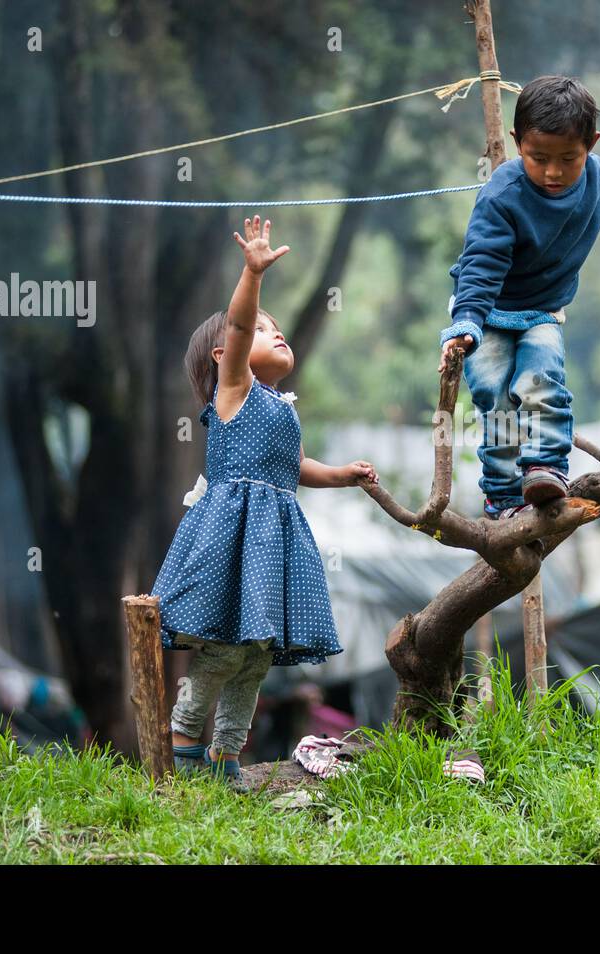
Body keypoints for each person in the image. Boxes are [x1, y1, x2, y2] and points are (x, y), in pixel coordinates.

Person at [153, 215, 378, 784]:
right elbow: (238, 318)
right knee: (227, 648)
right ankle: (184, 742)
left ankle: (226, 756)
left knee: (256, 655)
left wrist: (342, 474)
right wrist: (251, 274)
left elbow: (294, 469)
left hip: (272, 538)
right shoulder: (235, 391)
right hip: (234, 536)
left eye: (279, 329)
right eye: (261, 330)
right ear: (224, 354)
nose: (276, 334)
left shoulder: (281, 406)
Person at [437, 74, 600, 519]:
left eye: (567, 159)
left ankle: (545, 468)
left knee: (541, 380)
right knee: (493, 396)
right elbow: (479, 266)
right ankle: (503, 496)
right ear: (518, 142)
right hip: (487, 312)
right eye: (538, 158)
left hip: (542, 312)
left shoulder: (598, 181)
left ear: (591, 145)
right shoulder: (502, 195)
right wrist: (466, 326)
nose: (553, 172)